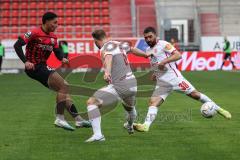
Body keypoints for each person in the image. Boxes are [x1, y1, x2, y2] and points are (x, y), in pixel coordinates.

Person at [133, 27, 232, 132]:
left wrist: (164, 62)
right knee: (153, 102)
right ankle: (145, 126)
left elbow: (178, 55)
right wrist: (154, 73)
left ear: (155, 36)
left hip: (175, 79)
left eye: (150, 36)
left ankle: (219, 109)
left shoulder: (164, 44)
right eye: (146, 38)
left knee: (195, 95)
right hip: (162, 83)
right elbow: (157, 65)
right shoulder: (148, 50)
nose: (148, 39)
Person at [14, 12, 91, 131]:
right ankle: (60, 118)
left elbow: (56, 51)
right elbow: (17, 45)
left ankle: (78, 120)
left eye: (57, 23)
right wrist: (25, 61)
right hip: (35, 67)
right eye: (54, 22)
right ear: (46, 21)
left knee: (64, 91)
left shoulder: (53, 37)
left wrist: (62, 58)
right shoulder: (34, 32)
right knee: (64, 86)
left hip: (42, 66)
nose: (56, 25)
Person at [85, 29, 150, 142]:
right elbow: (133, 49)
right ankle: (130, 126)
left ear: (96, 40)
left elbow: (109, 57)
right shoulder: (118, 44)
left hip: (121, 84)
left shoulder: (106, 47)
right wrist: (145, 55)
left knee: (92, 102)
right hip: (132, 82)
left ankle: (98, 135)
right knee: (129, 108)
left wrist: (107, 72)